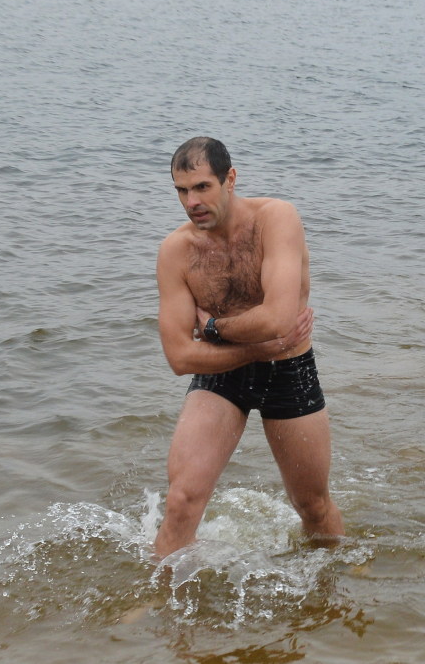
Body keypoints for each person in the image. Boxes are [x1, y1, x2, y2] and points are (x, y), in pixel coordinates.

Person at [153, 136, 343, 559]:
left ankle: (337, 582)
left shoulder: (276, 218)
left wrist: (215, 329)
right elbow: (180, 357)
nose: (191, 202)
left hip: (288, 371)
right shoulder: (176, 251)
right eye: (181, 191)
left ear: (230, 179)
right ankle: (159, 602)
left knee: (312, 506)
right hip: (221, 376)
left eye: (202, 187)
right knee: (181, 501)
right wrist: (255, 348)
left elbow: (278, 318)